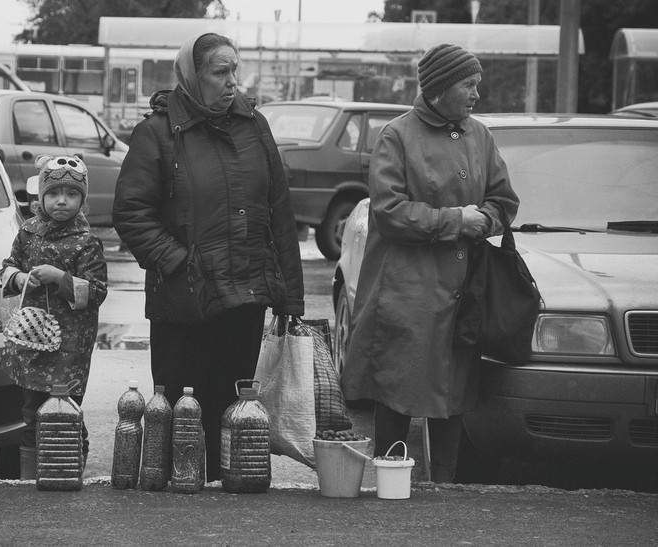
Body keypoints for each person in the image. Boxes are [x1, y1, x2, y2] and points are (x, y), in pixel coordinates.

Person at [112, 32, 304, 483]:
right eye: (221, 72)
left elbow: (280, 211)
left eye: (235, 70)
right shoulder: (158, 132)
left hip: (246, 297)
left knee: (233, 414)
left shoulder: (255, 126)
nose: (232, 82)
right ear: (192, 77)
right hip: (186, 302)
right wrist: (179, 262)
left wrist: (290, 299)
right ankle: (180, 512)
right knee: (183, 415)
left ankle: (226, 506)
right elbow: (130, 212)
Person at [340, 44, 520, 483]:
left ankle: (445, 486)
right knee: (396, 389)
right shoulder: (397, 135)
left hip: (463, 288)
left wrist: (486, 220)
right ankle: (390, 482)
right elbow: (388, 210)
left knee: (453, 394)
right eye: (468, 84)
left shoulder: (480, 135)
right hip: (406, 290)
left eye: (477, 83)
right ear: (439, 89)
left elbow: (503, 199)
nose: (477, 93)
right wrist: (456, 220)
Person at [0, 154, 108, 479]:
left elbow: (98, 291)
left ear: (82, 200)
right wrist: (18, 278)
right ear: (41, 197)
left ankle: (67, 471)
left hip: (70, 345)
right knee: (32, 410)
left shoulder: (87, 242)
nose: (62, 201)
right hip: (33, 339)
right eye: (54, 194)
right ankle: (31, 477)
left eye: (72, 194)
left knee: (65, 409)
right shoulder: (28, 233)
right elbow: (7, 266)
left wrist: (59, 277)